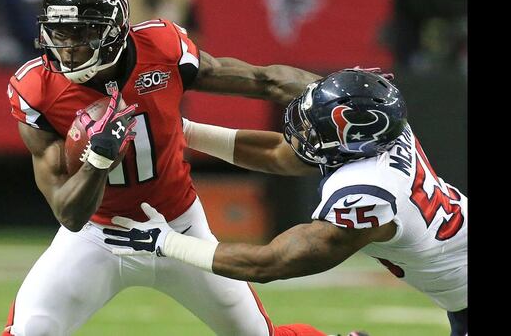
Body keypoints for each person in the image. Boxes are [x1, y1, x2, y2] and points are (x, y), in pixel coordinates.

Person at [4, 0, 361, 336]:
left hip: (179, 225)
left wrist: (339, 91)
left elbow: (261, 80)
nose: (68, 46)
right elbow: (70, 214)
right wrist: (98, 160)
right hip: (97, 236)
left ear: (113, 30)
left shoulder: (161, 48)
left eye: (82, 33)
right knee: (29, 332)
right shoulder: (37, 89)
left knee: (256, 335)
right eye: (60, 32)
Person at [104, 69, 468, 336]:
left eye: (315, 129)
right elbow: (281, 150)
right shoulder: (386, 128)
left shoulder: (367, 193)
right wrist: (182, 130)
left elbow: (271, 263)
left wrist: (165, 242)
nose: (301, 130)